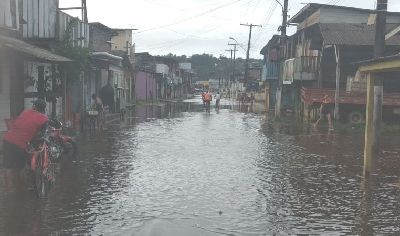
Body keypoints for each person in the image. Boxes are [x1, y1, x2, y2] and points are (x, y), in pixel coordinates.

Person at [2, 99, 49, 192]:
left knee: (7, 167)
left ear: (34, 106)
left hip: (7, 139)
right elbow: (43, 134)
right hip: (20, 144)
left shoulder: (25, 112)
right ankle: (22, 190)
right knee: (21, 168)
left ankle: (8, 189)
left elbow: (19, 125)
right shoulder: (44, 119)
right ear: (43, 109)